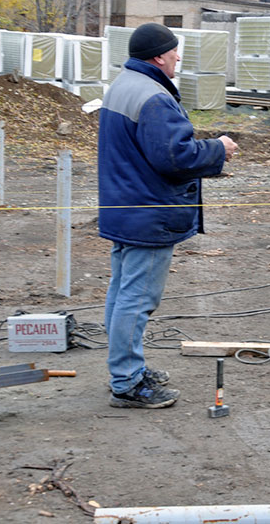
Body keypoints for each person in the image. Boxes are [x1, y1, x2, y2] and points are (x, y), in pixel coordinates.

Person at [98, 22, 238, 409]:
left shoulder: (124, 84)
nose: (179, 57)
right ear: (159, 56)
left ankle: (125, 371)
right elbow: (174, 157)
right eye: (175, 51)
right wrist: (218, 148)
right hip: (149, 212)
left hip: (125, 208)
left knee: (122, 292)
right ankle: (127, 383)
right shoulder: (154, 97)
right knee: (137, 299)